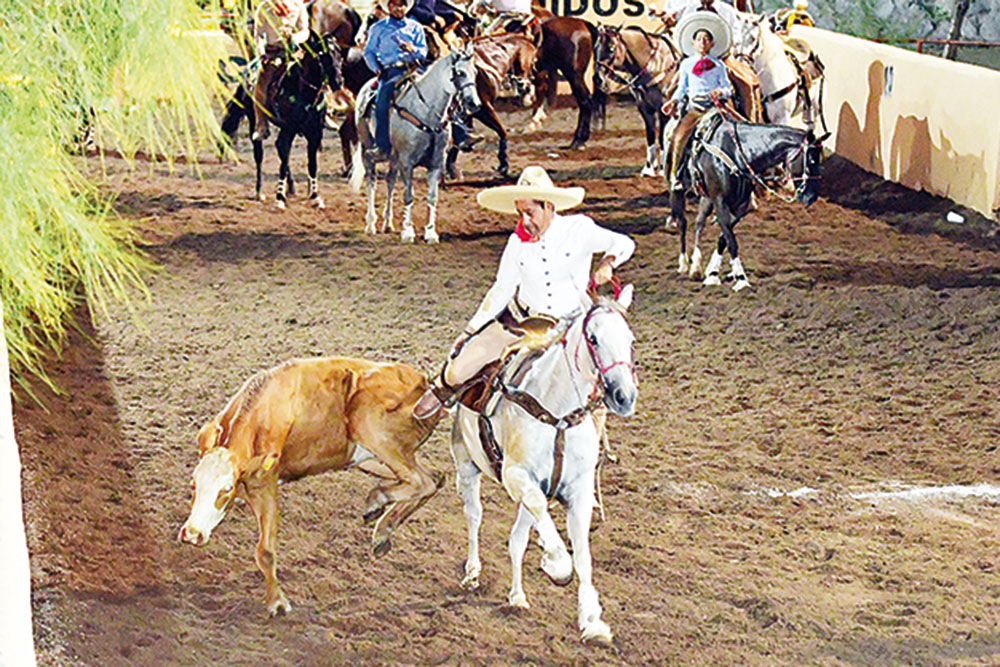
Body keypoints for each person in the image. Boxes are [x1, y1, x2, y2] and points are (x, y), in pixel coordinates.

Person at [413, 165, 636, 420]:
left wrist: (608, 262)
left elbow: (624, 243)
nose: (524, 221)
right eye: (520, 214)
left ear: (548, 207)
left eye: (530, 212)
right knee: (465, 359)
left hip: (572, 325)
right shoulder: (517, 243)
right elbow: (502, 288)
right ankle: (443, 390)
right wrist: (471, 329)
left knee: (607, 364)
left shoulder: (579, 230)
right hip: (522, 322)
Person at [661, 10, 734, 192]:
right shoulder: (686, 64)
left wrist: (720, 91)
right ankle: (676, 175)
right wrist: (673, 102)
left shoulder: (718, 65)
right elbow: (682, 88)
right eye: (699, 40)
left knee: (735, 135)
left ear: (711, 44)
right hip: (695, 108)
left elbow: (729, 88)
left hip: (714, 108)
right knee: (678, 137)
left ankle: (741, 177)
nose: (702, 43)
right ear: (693, 43)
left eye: (706, 40)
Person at [363, 0, 429, 159]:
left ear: (407, 7)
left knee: (442, 88)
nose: (399, 8)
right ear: (389, 7)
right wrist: (377, 69)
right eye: (395, 4)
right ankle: (382, 146)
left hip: (413, 68)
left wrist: (414, 50)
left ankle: (459, 135)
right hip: (391, 71)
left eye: (402, 4)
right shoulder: (378, 28)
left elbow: (423, 51)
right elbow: (369, 52)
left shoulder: (415, 27)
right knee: (381, 104)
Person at [252, 0, 312, 142]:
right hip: (274, 53)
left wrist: (295, 37)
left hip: (295, 52)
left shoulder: (298, 5)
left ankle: (323, 112)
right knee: (261, 83)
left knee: (318, 72)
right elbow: (258, 34)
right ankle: (261, 123)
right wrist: (261, 52)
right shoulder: (264, 7)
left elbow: (305, 30)